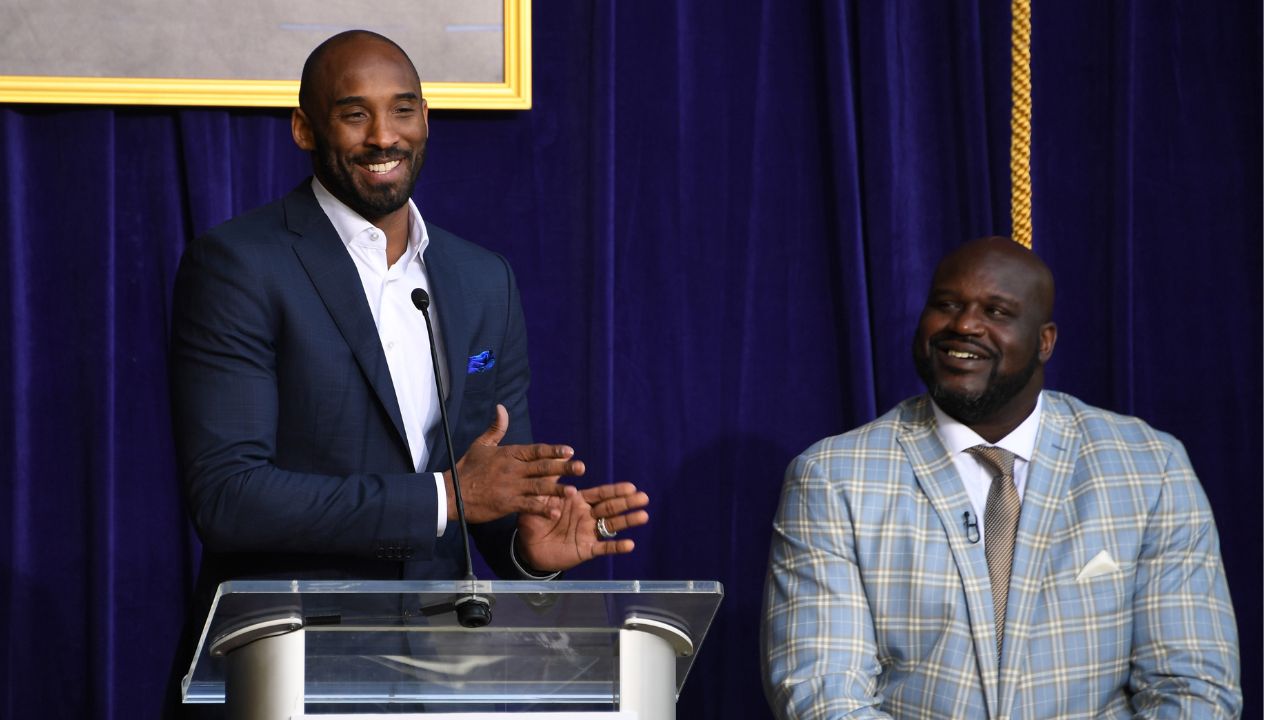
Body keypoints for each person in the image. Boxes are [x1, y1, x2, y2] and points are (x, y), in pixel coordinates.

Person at [167, 29, 649, 704]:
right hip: (287, 674)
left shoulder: (483, 280)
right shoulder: (241, 266)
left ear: (426, 119)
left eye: (403, 109)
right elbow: (229, 497)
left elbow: (491, 482)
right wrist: (446, 498)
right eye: (354, 113)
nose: (383, 136)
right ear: (305, 129)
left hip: (445, 679)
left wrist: (527, 552)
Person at [761, 237, 1240, 718]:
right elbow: (823, 694)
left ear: (1044, 341)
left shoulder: (1149, 467)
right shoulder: (833, 478)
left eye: (996, 311)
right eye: (947, 304)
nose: (965, 324)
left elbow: (1193, 687)